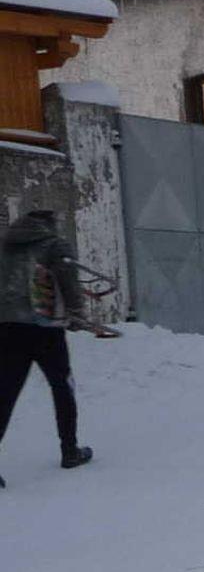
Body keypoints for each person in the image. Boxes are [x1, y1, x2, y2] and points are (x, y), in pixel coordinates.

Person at [0, 208, 93, 487]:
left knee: (5, 393)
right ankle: (70, 450)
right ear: (49, 224)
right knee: (62, 386)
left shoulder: (5, 247)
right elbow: (67, 279)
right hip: (46, 328)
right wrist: (76, 314)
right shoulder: (55, 245)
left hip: (8, 327)